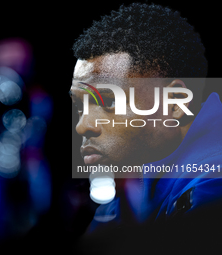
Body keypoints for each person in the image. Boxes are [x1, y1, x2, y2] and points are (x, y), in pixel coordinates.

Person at [69, 3, 222, 254]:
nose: (82, 126)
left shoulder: (212, 187)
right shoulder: (137, 179)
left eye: (107, 101)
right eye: (79, 106)